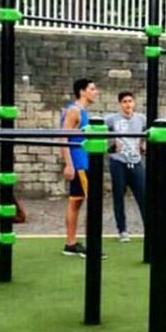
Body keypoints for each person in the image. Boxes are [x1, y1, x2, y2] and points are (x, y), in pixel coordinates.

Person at [60, 78, 100, 257]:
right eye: (92, 89)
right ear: (82, 92)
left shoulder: (83, 112)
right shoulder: (74, 111)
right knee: (91, 203)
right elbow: (63, 138)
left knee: (75, 203)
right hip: (79, 165)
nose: (95, 91)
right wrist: (69, 165)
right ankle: (89, 245)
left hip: (84, 163)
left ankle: (71, 244)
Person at [104, 91, 147, 243]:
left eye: (130, 101)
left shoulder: (141, 119)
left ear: (134, 103)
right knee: (118, 197)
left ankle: (150, 229)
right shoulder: (111, 120)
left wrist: (143, 144)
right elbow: (96, 133)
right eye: (124, 102)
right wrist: (110, 145)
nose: (128, 104)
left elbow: (148, 132)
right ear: (119, 104)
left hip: (135, 162)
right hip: (118, 162)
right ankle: (122, 230)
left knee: (144, 196)